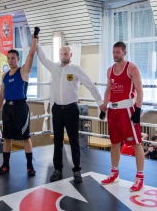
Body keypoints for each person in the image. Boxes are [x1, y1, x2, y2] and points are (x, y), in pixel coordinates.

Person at [36, 38, 105, 183]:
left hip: (71, 109)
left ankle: (77, 170)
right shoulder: (54, 67)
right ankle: (57, 169)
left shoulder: (76, 69)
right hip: (57, 109)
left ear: (71, 55)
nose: (63, 56)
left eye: (66, 54)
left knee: (74, 140)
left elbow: (90, 85)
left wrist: (100, 103)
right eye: (61, 54)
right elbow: (42, 57)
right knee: (58, 141)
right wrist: (37, 41)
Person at [99, 41, 145, 192]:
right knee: (114, 143)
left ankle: (139, 177)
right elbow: (108, 90)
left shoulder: (132, 68)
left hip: (127, 111)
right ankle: (114, 172)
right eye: (113, 52)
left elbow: (139, 90)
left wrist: (138, 110)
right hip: (113, 111)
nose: (115, 55)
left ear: (124, 53)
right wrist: (104, 107)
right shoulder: (110, 70)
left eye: (118, 52)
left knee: (136, 144)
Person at [0, 28, 39, 176]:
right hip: (8, 108)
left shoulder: (23, 71)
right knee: (6, 137)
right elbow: (1, 94)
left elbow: (31, 54)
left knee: (26, 138)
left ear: (18, 59)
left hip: (20, 108)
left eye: (13, 58)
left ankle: (30, 166)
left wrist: (35, 38)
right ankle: (5, 165)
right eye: (9, 58)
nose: (11, 60)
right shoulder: (5, 76)